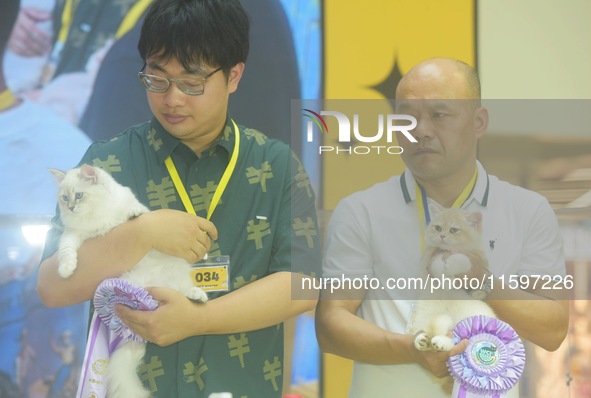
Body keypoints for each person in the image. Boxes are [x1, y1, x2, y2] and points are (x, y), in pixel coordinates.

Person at [37, 0, 320, 397]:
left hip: (240, 383)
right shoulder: (107, 162)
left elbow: (303, 283)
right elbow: (53, 287)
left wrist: (197, 319)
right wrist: (142, 233)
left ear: (234, 75)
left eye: (192, 83)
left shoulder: (274, 165)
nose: (172, 99)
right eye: (157, 78)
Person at [314, 57, 569, 397]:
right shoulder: (360, 210)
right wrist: (411, 349)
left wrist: (483, 282)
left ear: (479, 121)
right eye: (406, 117)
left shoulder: (528, 211)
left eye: (439, 114)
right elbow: (330, 324)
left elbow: (553, 329)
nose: (420, 129)